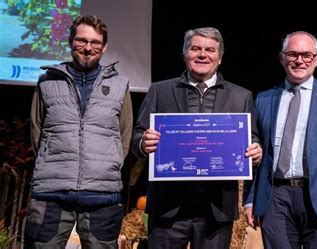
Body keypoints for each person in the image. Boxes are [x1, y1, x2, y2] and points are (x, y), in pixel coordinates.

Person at [131, 27, 262, 249]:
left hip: (216, 209)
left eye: (210, 50)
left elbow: (252, 138)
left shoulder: (241, 96)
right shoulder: (159, 91)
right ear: (185, 54)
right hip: (168, 208)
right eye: (195, 48)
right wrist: (143, 143)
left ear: (219, 58)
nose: (202, 54)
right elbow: (136, 137)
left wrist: (255, 152)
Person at [244, 31, 317, 248]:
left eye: (307, 55)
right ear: (282, 58)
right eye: (293, 54)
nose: (299, 60)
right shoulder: (263, 98)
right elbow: (256, 155)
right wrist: (250, 199)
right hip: (275, 199)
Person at [26, 15, 133, 248]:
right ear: (70, 42)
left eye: (95, 42)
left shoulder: (119, 85)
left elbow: (123, 136)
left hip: (102, 195)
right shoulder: (46, 82)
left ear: (104, 47)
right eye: (81, 40)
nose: (88, 48)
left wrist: (107, 166)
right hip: (51, 194)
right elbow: (37, 134)